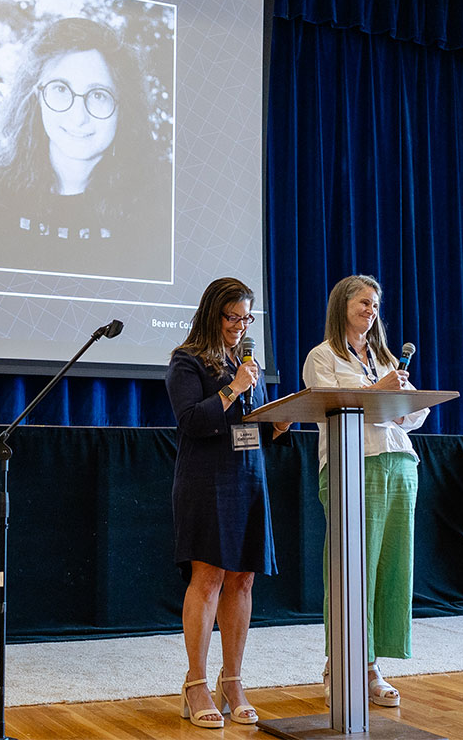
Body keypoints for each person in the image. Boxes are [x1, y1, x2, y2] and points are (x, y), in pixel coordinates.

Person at [165, 277, 290, 728]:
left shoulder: (246, 363)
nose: (240, 326)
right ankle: (196, 683)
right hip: (204, 481)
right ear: (212, 314)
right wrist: (233, 388)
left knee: (242, 581)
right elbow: (191, 422)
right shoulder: (187, 361)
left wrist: (276, 425)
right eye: (232, 317)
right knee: (209, 578)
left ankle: (232, 679)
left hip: (248, 477)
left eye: (246, 318)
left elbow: (246, 427)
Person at [301, 274, 429, 708]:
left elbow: (416, 415)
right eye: (362, 302)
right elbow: (336, 408)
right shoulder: (321, 357)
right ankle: (343, 663)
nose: (370, 310)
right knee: (352, 568)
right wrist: (380, 395)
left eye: (375, 304)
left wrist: (395, 404)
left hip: (400, 464)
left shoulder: (386, 358)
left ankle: (373, 664)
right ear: (342, 306)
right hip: (352, 466)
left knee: (393, 569)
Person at [0, 16, 172, 281]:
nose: (78, 117)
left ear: (124, 108)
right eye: (61, 89)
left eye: (98, 95)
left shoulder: (159, 208)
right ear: (36, 97)